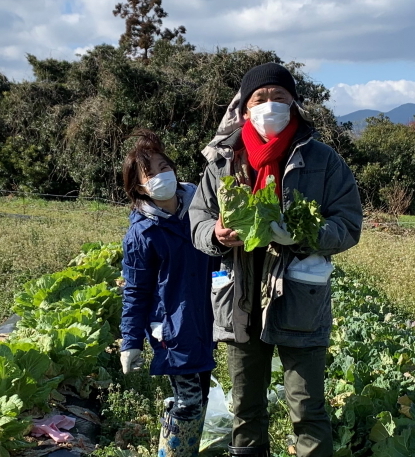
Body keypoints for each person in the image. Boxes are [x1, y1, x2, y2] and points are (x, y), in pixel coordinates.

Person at [189, 63, 363, 457]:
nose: (270, 106)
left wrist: (304, 234)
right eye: (260, 99)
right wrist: (216, 235)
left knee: (307, 407)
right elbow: (197, 218)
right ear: (244, 108)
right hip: (241, 298)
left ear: (294, 104)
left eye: (278, 98)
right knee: (246, 409)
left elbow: (349, 224)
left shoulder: (322, 159)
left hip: (298, 297)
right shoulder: (224, 159)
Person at [119, 129, 215, 457]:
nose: (162, 175)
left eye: (164, 166)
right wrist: (130, 342)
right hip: (173, 328)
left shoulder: (200, 208)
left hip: (207, 319)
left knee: (197, 396)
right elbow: (135, 291)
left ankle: (180, 449)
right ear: (138, 186)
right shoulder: (142, 233)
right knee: (189, 402)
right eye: (150, 173)